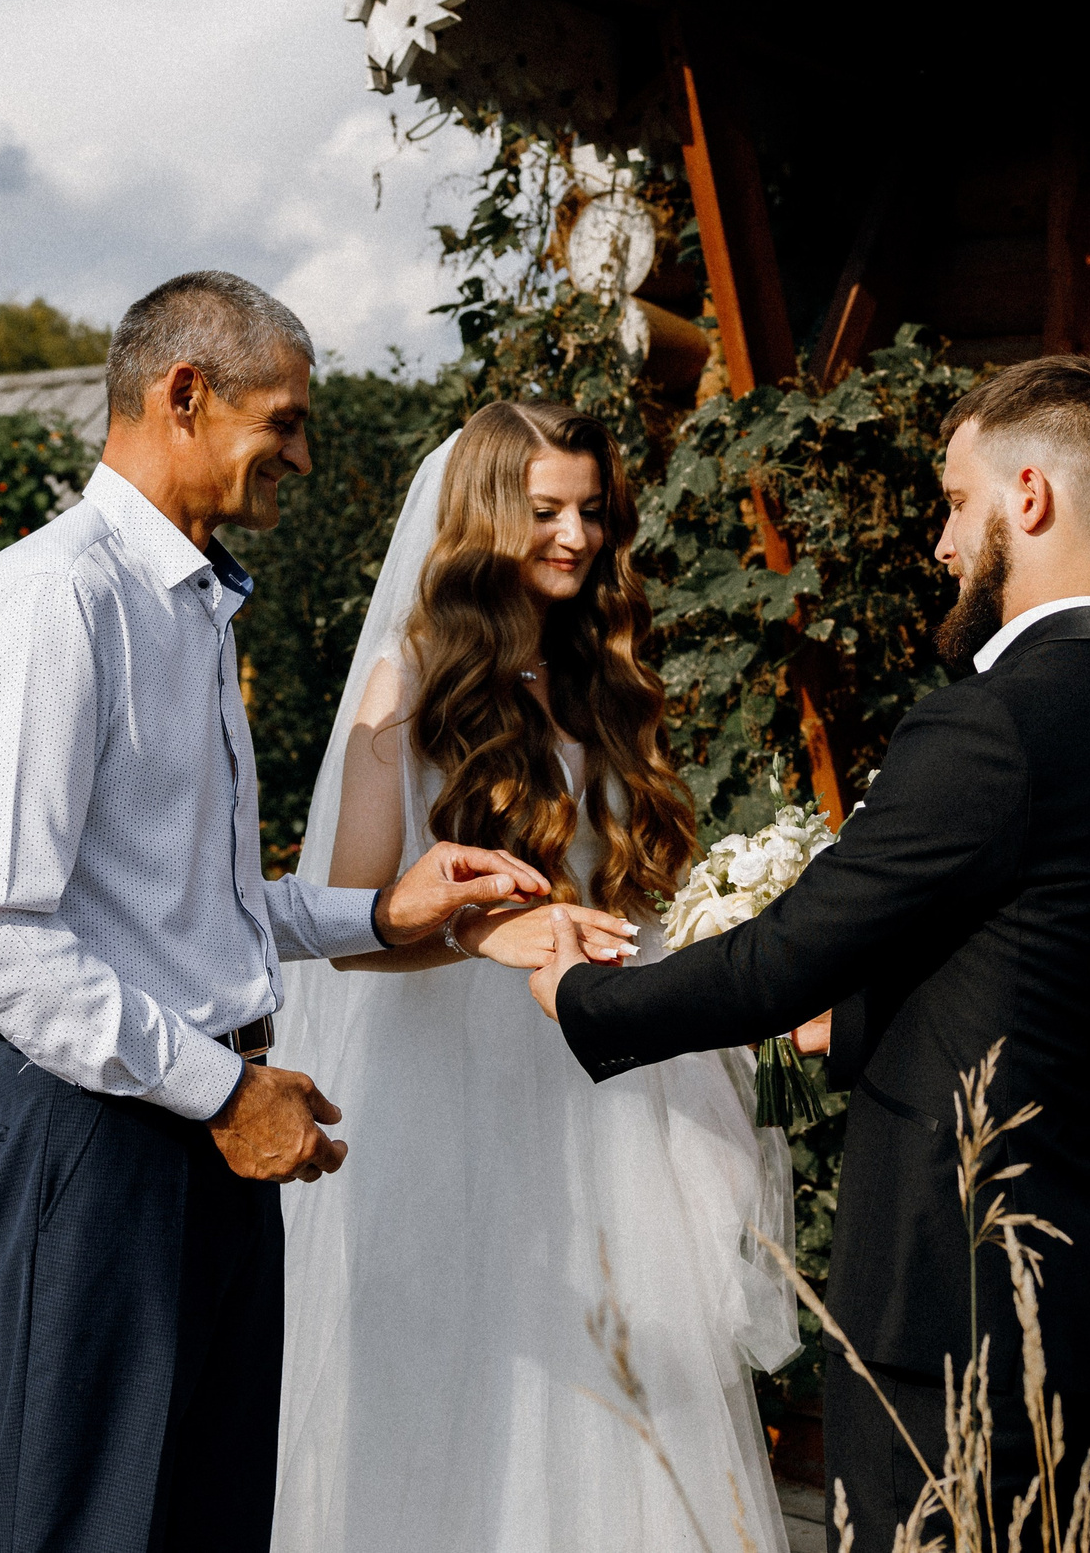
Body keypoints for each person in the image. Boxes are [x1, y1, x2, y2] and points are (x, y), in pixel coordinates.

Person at [527, 355, 1090, 1553]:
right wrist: (852, 1027)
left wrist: (587, 998)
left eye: (955, 502)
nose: (942, 542)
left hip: (952, 1309)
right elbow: (1050, 976)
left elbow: (783, 958)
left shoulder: (989, 724)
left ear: (1029, 498)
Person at [0, 272, 554, 1553]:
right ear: (186, 396)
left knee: (203, 1524)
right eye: (285, 421)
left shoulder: (191, 605)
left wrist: (384, 908)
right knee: (86, 1527)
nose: (304, 454)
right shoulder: (59, 601)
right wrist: (219, 1090)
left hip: (203, 1130)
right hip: (97, 1144)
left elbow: (184, 907)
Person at [273, 402, 800, 1552]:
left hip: (605, 1077)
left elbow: (633, 887)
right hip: (455, 1085)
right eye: (545, 511)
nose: (573, 538)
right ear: (480, 520)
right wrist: (472, 933)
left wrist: (715, 920)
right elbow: (348, 924)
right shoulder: (404, 681)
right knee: (475, 1380)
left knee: (623, 1374)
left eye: (591, 514)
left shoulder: (600, 679)